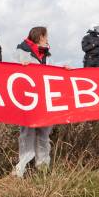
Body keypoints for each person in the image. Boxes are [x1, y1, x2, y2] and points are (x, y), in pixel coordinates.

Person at [13, 26, 70, 177]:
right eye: (46, 36)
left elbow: (52, 72)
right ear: (39, 37)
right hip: (28, 101)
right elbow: (13, 73)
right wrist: (21, 68)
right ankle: (22, 168)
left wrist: (63, 71)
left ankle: (43, 167)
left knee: (44, 134)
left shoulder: (47, 56)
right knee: (27, 133)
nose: (47, 39)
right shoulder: (21, 52)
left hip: (45, 100)